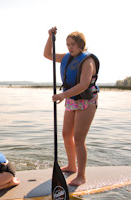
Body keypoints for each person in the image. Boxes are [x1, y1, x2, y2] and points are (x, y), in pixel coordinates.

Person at [44, 27, 100, 187]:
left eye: (73, 44)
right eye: (68, 44)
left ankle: (81, 175)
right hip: (72, 99)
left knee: (79, 139)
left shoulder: (87, 61)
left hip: (86, 101)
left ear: (81, 45)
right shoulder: (67, 58)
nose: (70, 48)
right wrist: (50, 37)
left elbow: (83, 84)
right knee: (66, 134)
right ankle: (71, 166)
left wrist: (62, 95)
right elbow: (48, 55)